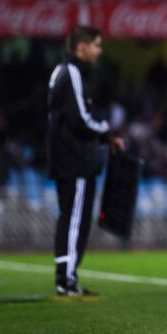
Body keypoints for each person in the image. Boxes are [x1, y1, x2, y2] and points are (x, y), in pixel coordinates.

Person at [47, 25, 124, 297]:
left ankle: (66, 277)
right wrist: (107, 132)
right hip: (75, 159)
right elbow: (80, 117)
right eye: (97, 45)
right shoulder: (72, 73)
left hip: (65, 157)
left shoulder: (61, 71)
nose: (100, 51)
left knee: (71, 218)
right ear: (82, 47)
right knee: (75, 219)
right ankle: (66, 280)